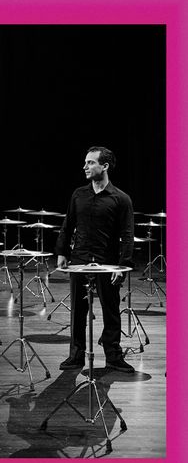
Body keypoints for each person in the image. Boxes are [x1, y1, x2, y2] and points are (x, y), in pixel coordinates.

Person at [54, 146, 135, 373]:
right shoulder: (79, 194)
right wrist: (62, 252)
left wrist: (123, 266)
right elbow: (68, 225)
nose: (85, 167)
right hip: (79, 259)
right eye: (86, 162)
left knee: (111, 309)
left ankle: (113, 355)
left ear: (104, 166)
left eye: (90, 163)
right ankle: (76, 355)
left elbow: (128, 235)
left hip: (107, 261)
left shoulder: (121, 199)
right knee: (78, 310)